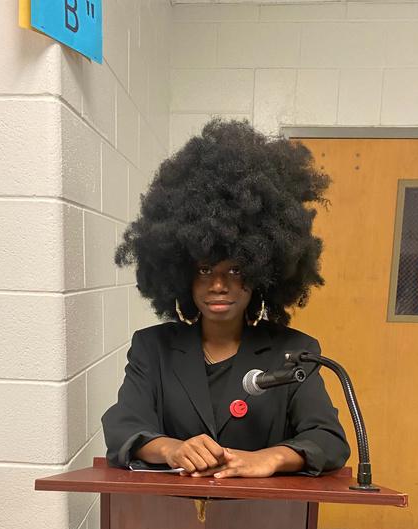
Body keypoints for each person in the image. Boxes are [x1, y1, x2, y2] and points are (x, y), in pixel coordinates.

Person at [102, 119, 350, 478]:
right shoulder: (152, 349)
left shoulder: (294, 352)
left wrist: (271, 458)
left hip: (263, 510)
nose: (218, 284)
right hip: (170, 509)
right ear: (181, 274)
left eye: (235, 270)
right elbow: (122, 428)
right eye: (205, 270)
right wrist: (172, 449)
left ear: (263, 271)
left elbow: (328, 439)